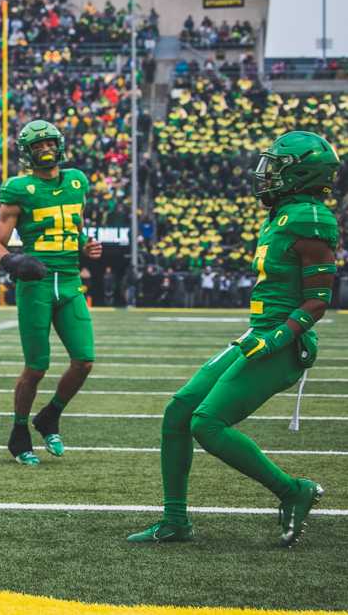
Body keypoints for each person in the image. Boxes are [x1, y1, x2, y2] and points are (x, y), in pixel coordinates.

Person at [129, 131, 339, 547]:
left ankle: (293, 490)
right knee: (178, 413)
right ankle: (175, 521)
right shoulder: (283, 214)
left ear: (301, 174)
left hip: (283, 342)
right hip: (258, 332)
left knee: (207, 423)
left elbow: (317, 302)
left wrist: (277, 337)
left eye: (277, 168)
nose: (267, 176)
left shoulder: (311, 218)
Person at [0, 120, 102, 466]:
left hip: (68, 282)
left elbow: (75, 224)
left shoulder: (77, 181)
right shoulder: (19, 189)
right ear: (27, 152)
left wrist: (85, 245)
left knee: (84, 360)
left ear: (60, 145)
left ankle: (50, 415)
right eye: (37, 146)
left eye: (49, 143)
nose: (45, 150)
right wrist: (14, 261)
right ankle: (19, 431)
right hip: (36, 284)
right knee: (36, 367)